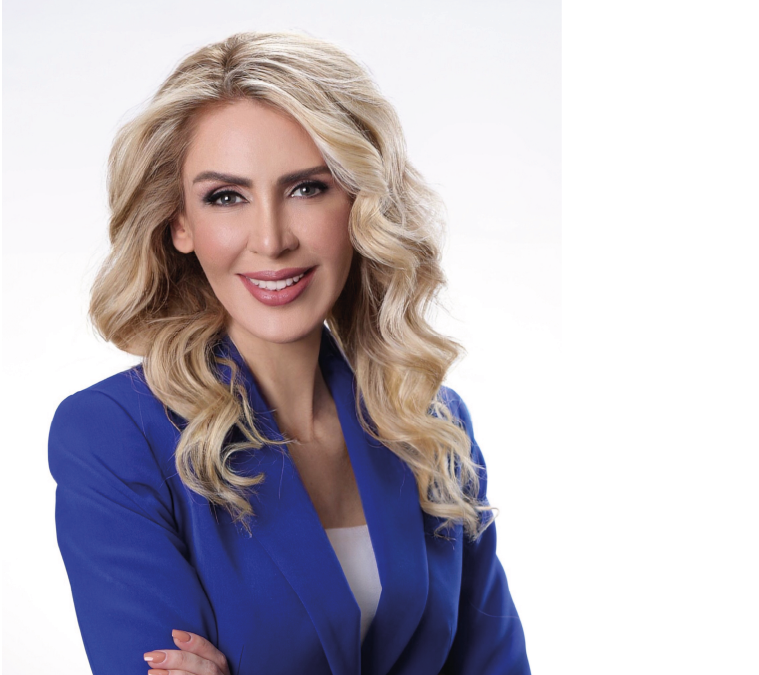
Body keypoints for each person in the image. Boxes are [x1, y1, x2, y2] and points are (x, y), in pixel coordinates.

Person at [48, 31, 529, 675]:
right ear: (180, 222)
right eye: (226, 197)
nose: (271, 240)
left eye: (307, 188)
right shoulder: (113, 435)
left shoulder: (430, 424)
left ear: (360, 203)